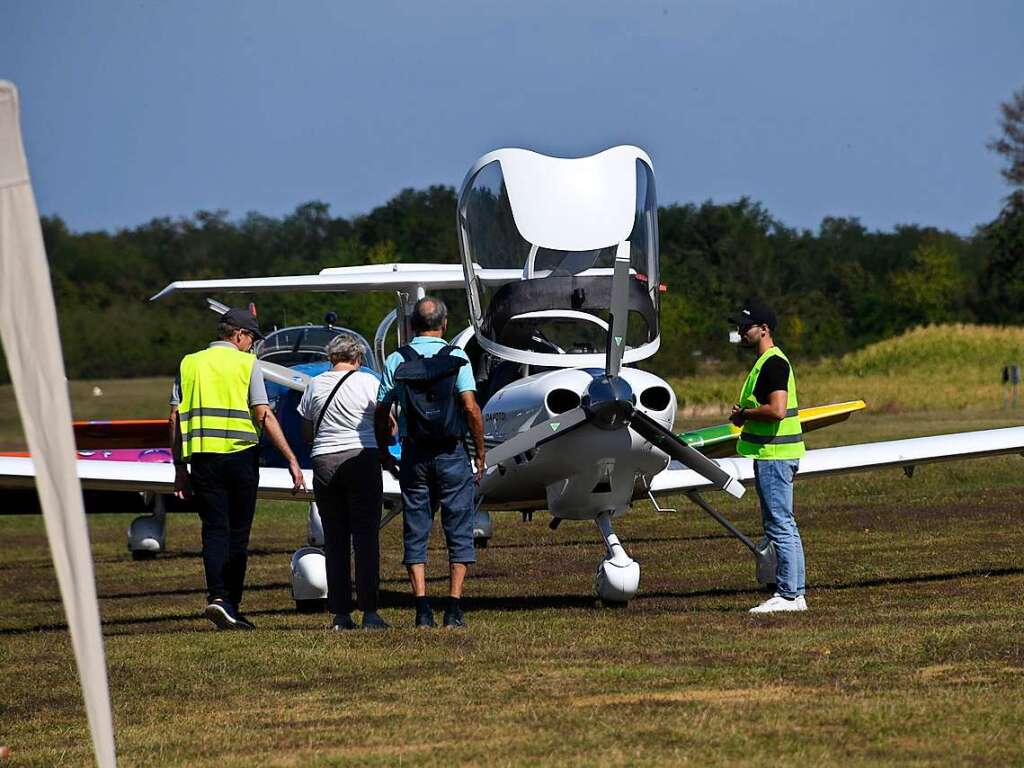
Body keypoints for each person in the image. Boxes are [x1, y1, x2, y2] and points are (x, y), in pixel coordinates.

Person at [170, 308, 305, 630]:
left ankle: (218, 598)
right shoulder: (247, 365)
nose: (252, 346)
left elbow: (174, 419)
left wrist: (179, 467)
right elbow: (264, 414)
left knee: (213, 530)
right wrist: (291, 458)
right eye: (251, 339)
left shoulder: (189, 363)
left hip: (202, 458)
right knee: (238, 535)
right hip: (241, 457)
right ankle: (232, 603)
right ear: (239, 336)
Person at [374, 297, 486, 629]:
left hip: (414, 453)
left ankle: (422, 608)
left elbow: (382, 411)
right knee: (459, 526)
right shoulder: (457, 357)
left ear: (411, 325)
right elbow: (470, 408)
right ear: (445, 323)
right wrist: (480, 453)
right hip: (451, 452)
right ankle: (453, 606)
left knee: (416, 527)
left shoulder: (397, 359)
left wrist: (384, 450)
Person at [297, 333, 388, 631]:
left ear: (331, 358)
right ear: (358, 358)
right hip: (362, 458)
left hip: (323, 460)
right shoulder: (369, 382)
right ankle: (371, 613)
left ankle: (340, 614)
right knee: (365, 538)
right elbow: (387, 423)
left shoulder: (314, 385)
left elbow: (307, 433)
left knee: (335, 540)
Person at [728, 302, 807, 614]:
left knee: (779, 525)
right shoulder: (767, 362)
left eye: (746, 327)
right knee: (784, 524)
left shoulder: (773, 363)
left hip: (775, 455)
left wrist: (743, 414)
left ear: (764, 329)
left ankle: (788, 595)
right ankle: (794, 593)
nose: (740, 332)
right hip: (775, 454)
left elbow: (776, 410)